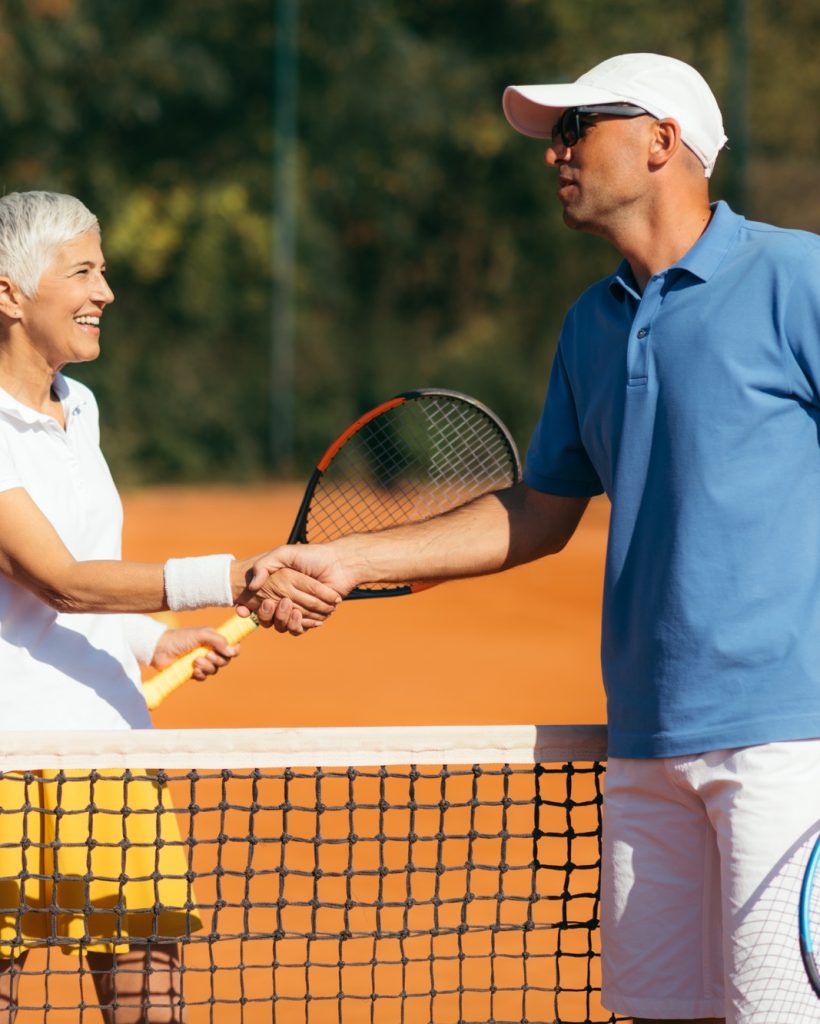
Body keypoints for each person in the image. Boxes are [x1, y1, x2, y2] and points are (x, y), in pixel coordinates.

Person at [238, 53, 820, 1024]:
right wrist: (343, 559)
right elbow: (535, 511)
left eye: (575, 127)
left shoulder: (795, 278)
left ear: (660, 142)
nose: (554, 151)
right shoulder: (591, 325)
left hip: (788, 741)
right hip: (643, 739)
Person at [0, 190, 339, 1022]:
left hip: (111, 754)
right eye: (82, 271)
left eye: (104, 271)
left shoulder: (82, 410)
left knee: (151, 995)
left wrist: (147, 638)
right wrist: (231, 576)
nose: (106, 292)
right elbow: (58, 577)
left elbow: (93, 579)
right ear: (8, 292)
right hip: (4, 761)